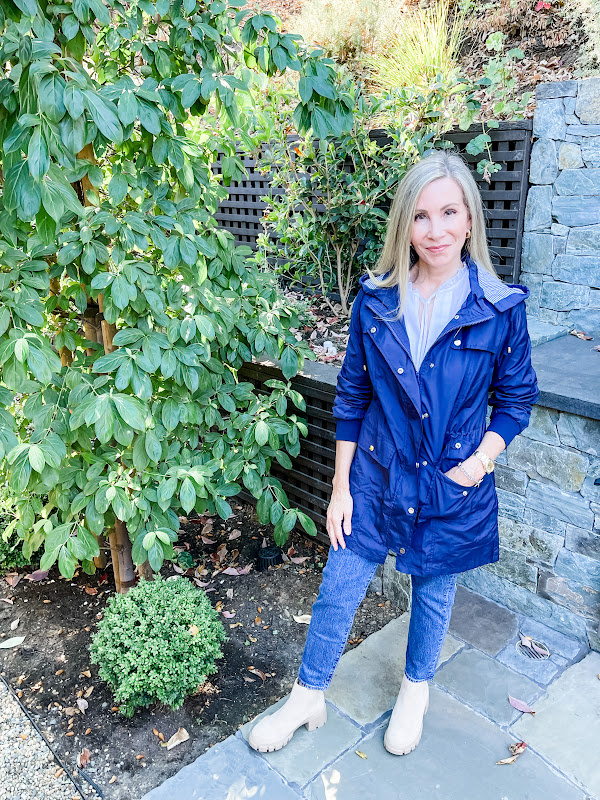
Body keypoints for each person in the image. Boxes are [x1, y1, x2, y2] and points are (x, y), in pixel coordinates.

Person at [247, 150, 539, 756]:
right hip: (377, 476)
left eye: (449, 212)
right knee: (340, 584)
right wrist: (339, 487)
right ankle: (308, 696)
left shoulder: (499, 308)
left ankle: (415, 691)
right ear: (404, 224)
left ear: (470, 219)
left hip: (449, 480)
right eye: (421, 216)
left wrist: (478, 463)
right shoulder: (376, 301)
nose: (436, 230)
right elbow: (352, 395)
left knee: (433, 592)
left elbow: (515, 400)